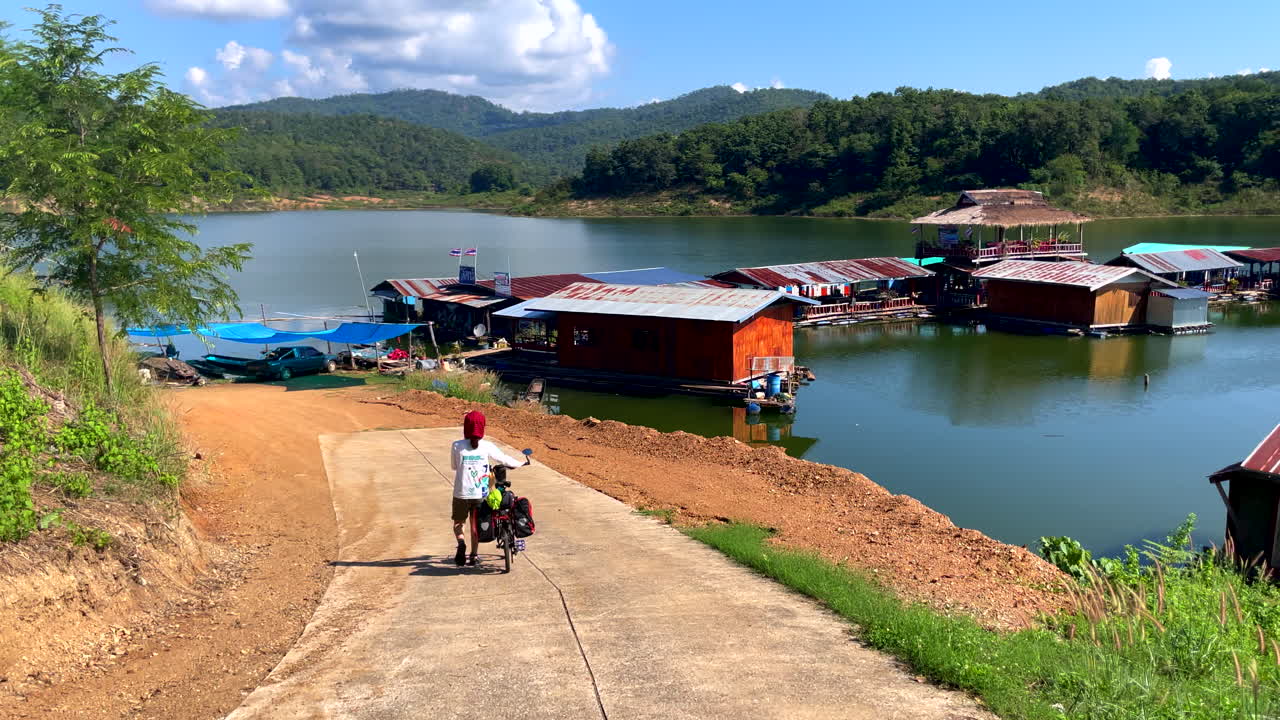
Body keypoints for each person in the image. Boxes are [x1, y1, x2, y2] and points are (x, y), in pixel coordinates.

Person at [450, 410, 526, 567]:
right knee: (475, 525)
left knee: (459, 522)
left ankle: (461, 543)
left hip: (461, 493)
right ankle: (474, 555)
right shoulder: (487, 446)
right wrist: (520, 463)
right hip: (480, 494)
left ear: (466, 427)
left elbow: (454, 467)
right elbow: (504, 458)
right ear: (482, 427)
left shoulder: (457, 446)